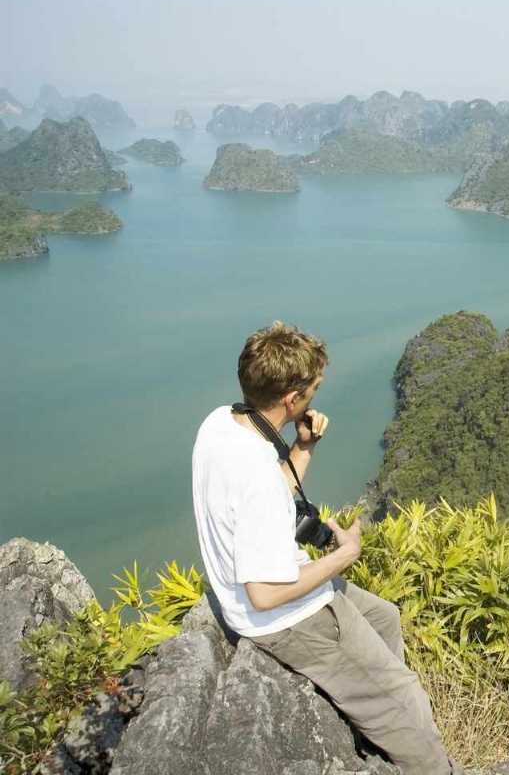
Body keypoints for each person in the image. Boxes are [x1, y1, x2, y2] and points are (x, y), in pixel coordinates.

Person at [191, 321, 452, 773]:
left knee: (385, 617)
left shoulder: (222, 423)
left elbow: (264, 497)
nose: (315, 395)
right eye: (312, 389)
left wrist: (303, 446)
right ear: (292, 399)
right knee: (405, 697)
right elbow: (266, 592)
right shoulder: (254, 474)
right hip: (286, 617)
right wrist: (342, 556)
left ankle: (378, 729)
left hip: (266, 597)